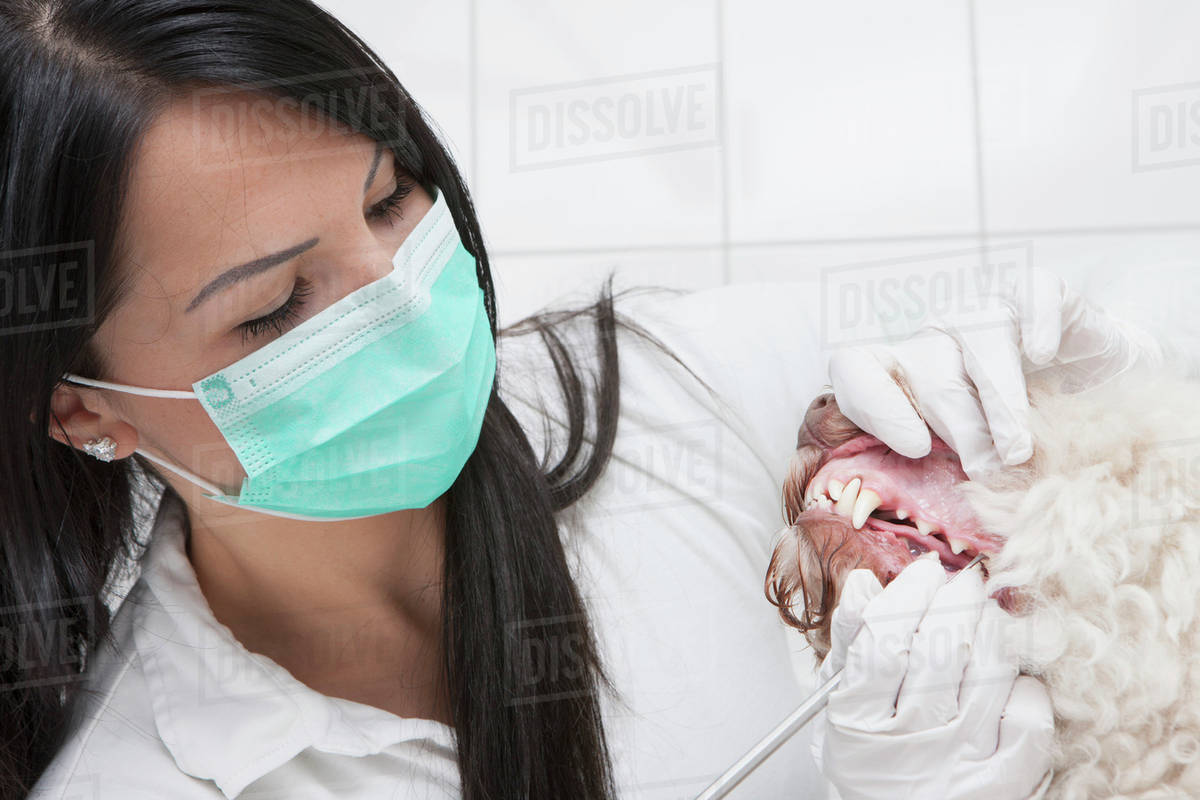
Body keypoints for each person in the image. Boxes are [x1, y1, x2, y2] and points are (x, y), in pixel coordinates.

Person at [0, 1, 1166, 798]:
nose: (403, 304)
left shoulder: (699, 389)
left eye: (394, 198)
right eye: (273, 307)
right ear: (87, 410)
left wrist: (1108, 418)